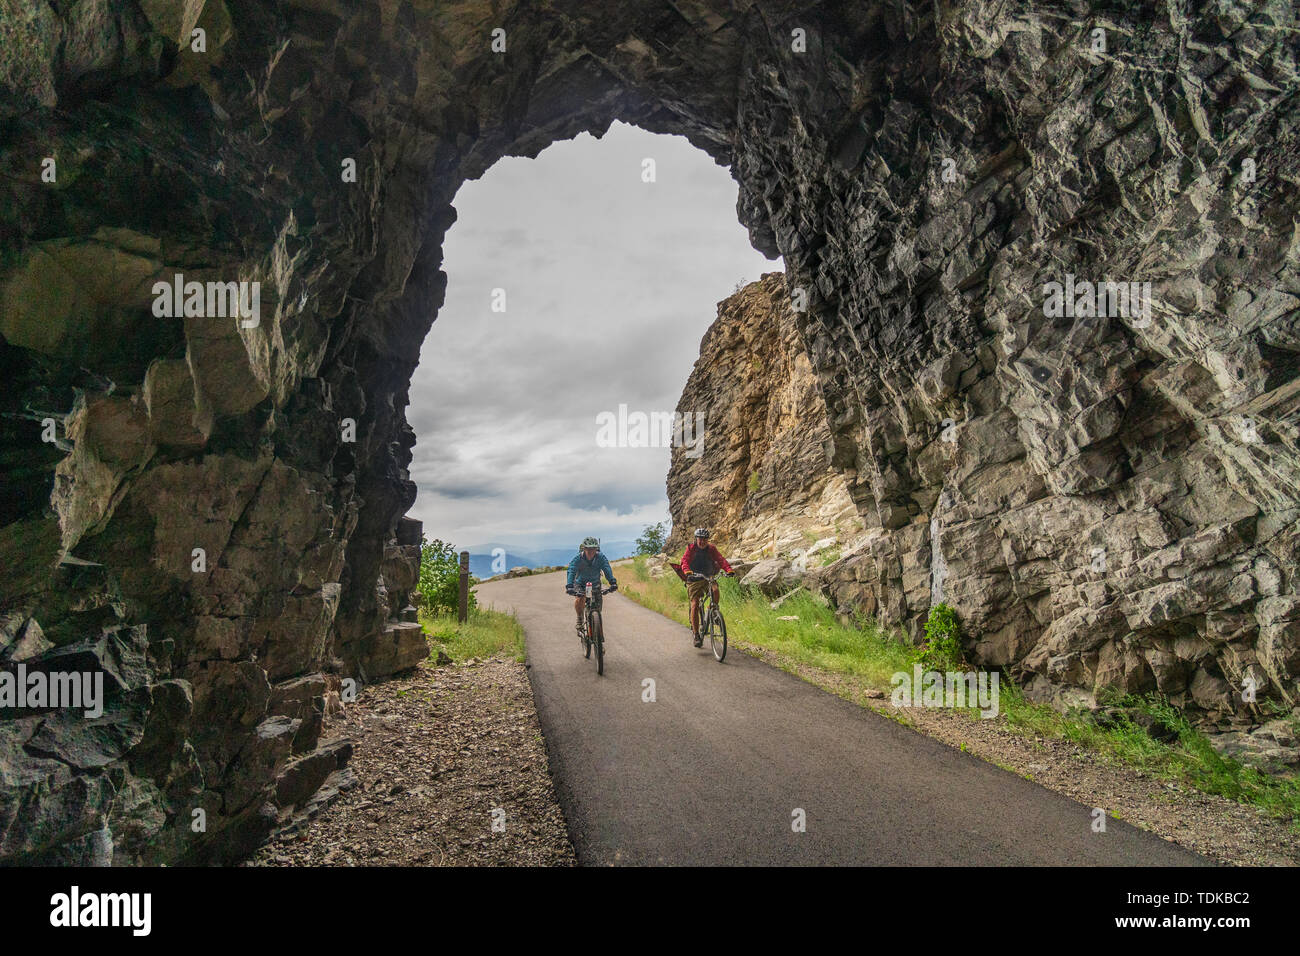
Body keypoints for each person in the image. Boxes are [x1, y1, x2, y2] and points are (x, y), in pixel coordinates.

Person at [675, 527, 734, 646]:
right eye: (700, 539)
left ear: (708, 540)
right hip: (694, 578)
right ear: (696, 539)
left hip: (708, 576)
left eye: (705, 539)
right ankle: (696, 635)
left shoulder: (711, 548)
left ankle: (712, 611)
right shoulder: (691, 548)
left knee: (715, 590)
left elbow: (720, 559)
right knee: (695, 604)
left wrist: (728, 569)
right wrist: (686, 571)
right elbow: (684, 561)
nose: (702, 542)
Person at [565, 537, 617, 636]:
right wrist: (569, 586)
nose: (591, 551)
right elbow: (571, 571)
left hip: (595, 583)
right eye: (588, 549)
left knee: (598, 610)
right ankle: (580, 619)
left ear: (596, 549)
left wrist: (612, 582)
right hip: (580, 583)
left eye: (593, 549)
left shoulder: (600, 557)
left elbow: (606, 568)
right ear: (584, 549)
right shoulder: (578, 558)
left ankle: (598, 640)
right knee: (580, 598)